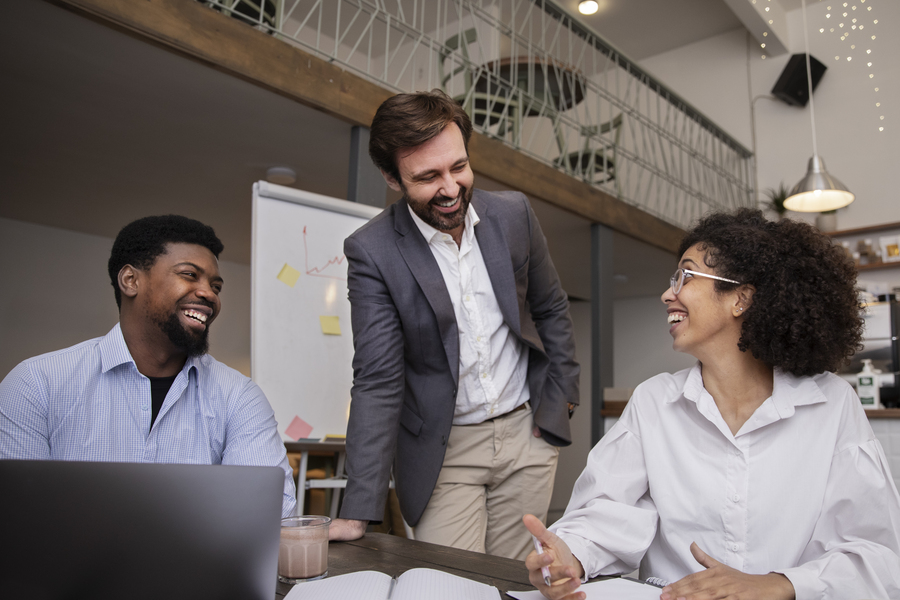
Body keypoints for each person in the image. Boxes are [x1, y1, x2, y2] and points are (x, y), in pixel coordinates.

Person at [524, 208, 900, 599]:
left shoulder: (832, 405)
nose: (668, 293)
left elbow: (877, 557)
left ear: (741, 297)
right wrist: (568, 556)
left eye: (685, 276)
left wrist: (777, 585)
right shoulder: (654, 402)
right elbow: (608, 512)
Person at [330, 89, 580, 560]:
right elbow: (379, 380)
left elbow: (550, 308)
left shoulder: (513, 214)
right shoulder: (372, 252)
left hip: (528, 436)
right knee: (452, 585)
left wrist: (560, 402)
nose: (450, 188)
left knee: (515, 581)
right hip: (442, 453)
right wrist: (357, 506)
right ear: (391, 177)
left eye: (458, 167)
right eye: (427, 177)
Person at [0, 215, 297, 517]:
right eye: (189, 275)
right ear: (130, 280)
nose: (209, 294)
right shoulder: (36, 384)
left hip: (198, 567)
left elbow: (269, 518)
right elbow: (18, 522)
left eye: (216, 286)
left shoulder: (239, 396)